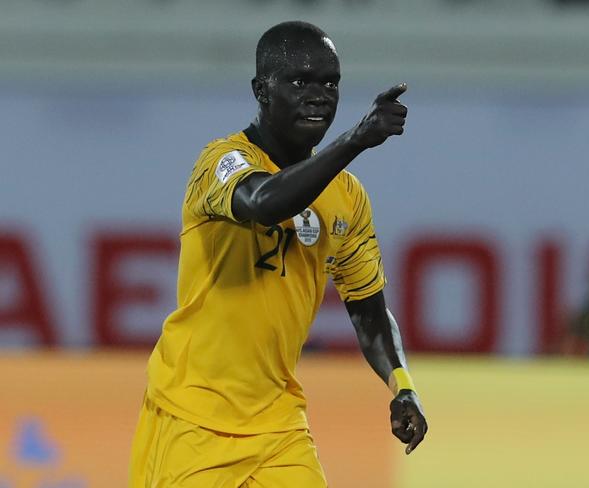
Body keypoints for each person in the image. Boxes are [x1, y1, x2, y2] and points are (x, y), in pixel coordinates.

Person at [128, 20, 427, 487]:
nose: (319, 95)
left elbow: (369, 312)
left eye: (330, 82)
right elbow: (265, 204)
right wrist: (354, 140)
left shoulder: (347, 198)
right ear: (260, 90)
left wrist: (402, 386)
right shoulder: (221, 162)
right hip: (191, 416)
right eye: (300, 81)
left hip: (278, 426)